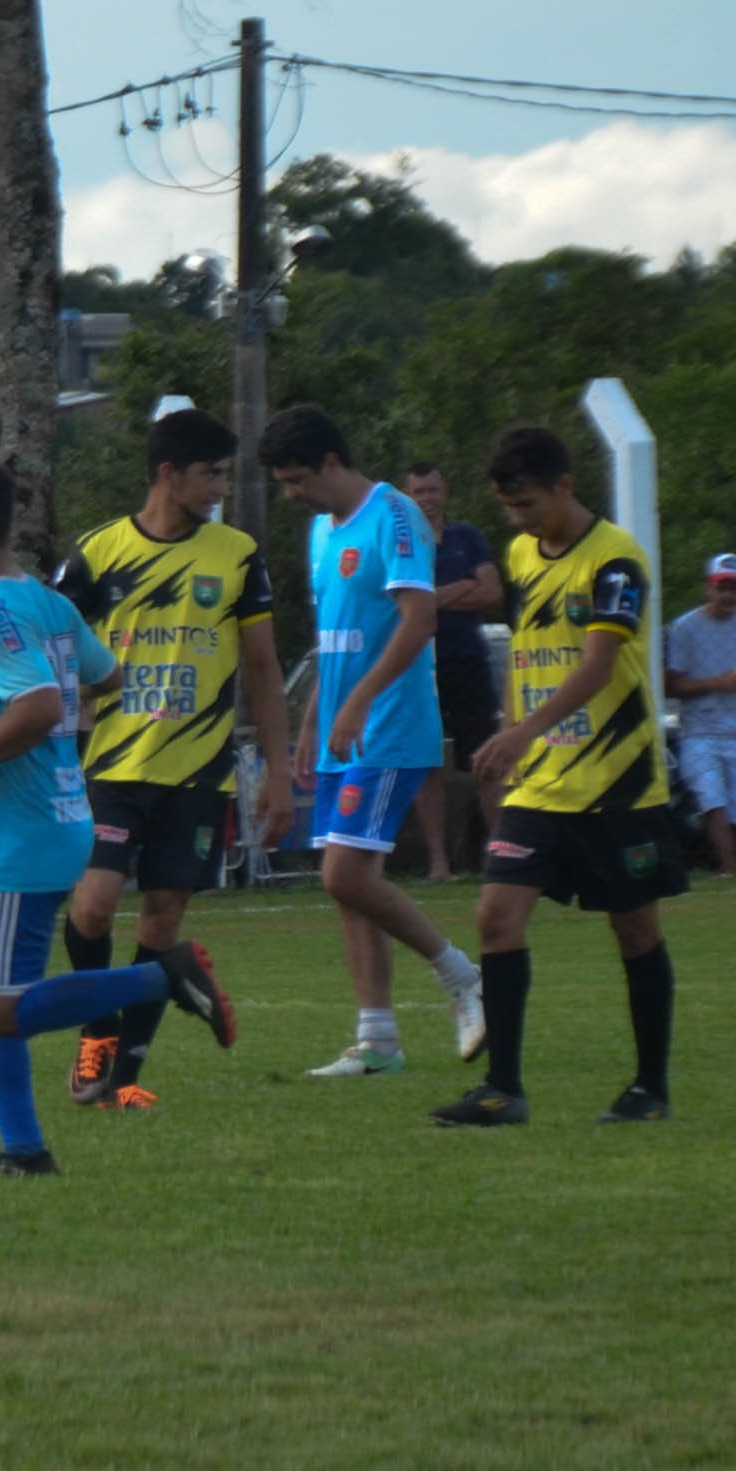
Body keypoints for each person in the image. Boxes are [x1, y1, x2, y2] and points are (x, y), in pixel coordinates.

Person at [0, 457, 228, 1178]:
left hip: (16, 842)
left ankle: (165, 977)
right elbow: (105, 675)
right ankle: (24, 1152)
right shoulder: (41, 601)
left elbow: (42, 705)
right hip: (39, 822)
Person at [431, 424, 682, 1127]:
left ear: (566, 486)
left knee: (634, 931)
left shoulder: (617, 561)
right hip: (542, 782)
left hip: (617, 781)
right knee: (495, 914)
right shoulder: (519, 555)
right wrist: (519, 729)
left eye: (529, 504)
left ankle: (649, 1088)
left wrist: (518, 731)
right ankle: (502, 1088)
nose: (519, 520)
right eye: (509, 508)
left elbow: (600, 662)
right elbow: (529, 650)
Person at [52, 405, 292, 1110]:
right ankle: (96, 1035)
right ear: (168, 473)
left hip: (198, 775)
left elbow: (263, 669)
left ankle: (124, 1076)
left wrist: (278, 773)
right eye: (211, 473)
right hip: (116, 770)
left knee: (161, 920)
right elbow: (56, 654)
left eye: (225, 473)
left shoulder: (237, 555)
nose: (221, 486)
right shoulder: (95, 556)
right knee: (92, 908)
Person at [259, 406, 487, 1080]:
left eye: (298, 478)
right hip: (340, 735)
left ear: (332, 462)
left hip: (386, 727)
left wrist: (358, 700)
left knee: (345, 874)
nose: (291, 493)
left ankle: (462, 977)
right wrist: (311, 721)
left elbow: (418, 621)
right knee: (349, 887)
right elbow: (338, 636)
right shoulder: (320, 534)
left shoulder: (394, 516)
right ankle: (377, 1040)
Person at [403, 462, 507, 880]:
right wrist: (462, 589)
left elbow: (492, 591)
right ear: (405, 497)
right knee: (426, 763)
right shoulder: (400, 542)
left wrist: (432, 597)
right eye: (417, 492)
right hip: (417, 664)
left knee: (486, 759)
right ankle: (438, 863)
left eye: (432, 490)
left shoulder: (468, 537)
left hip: (467, 660)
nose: (426, 499)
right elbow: (403, 605)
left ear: (445, 491)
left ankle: (501, 856)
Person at [663, 556, 736, 878]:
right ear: (708, 587)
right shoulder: (685, 628)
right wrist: (716, 683)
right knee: (712, 798)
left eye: (735, 588)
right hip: (700, 731)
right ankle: (728, 868)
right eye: (722, 587)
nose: (728, 595)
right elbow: (671, 684)